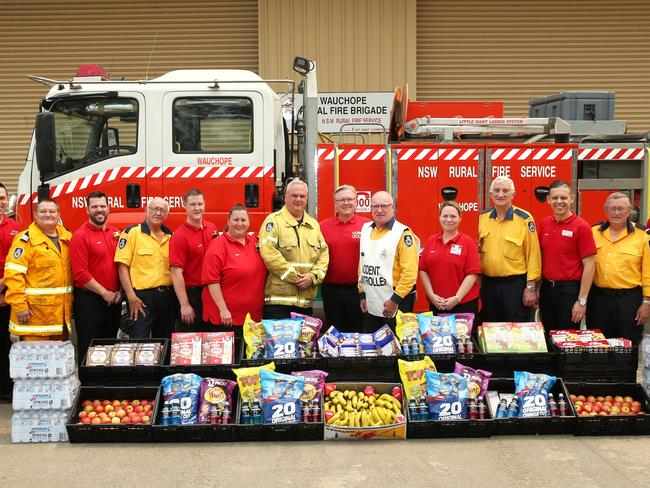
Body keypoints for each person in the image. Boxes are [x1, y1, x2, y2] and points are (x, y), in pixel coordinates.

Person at [258, 179, 329, 319]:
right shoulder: (273, 221)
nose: (298, 199)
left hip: (305, 304)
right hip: (278, 303)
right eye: (294, 196)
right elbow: (269, 255)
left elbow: (324, 255)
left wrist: (313, 277)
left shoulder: (313, 225)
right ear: (286, 197)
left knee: (304, 341)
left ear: (306, 199)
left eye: (302, 196)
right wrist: (296, 278)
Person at [4, 199, 72, 341]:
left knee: (59, 362)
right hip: (33, 320)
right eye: (43, 211)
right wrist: (19, 306)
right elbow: (13, 275)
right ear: (35, 215)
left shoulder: (67, 238)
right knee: (35, 363)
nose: (48, 214)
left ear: (58, 215)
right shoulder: (25, 241)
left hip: (60, 320)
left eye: (52, 211)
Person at [586, 192, 650, 344]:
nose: (616, 213)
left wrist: (646, 303)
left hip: (629, 301)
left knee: (628, 345)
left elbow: (648, 271)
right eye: (612, 209)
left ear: (629, 211)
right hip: (598, 300)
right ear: (605, 211)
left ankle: (627, 369)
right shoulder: (593, 232)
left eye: (621, 209)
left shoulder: (642, 235)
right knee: (598, 345)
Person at [478, 176, 541, 323]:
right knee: (489, 328)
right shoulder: (482, 218)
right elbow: (477, 250)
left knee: (515, 332)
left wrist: (531, 288)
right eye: (497, 190)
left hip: (515, 287)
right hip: (489, 286)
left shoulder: (525, 219)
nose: (501, 194)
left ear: (513, 194)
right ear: (491, 194)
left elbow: (533, 255)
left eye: (505, 190)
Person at [70, 191, 122, 365]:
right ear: (87, 210)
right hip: (89, 301)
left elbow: (122, 266)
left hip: (113, 301)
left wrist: (120, 292)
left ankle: (105, 387)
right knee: (89, 348)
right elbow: (80, 273)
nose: (99, 210)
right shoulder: (80, 236)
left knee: (109, 347)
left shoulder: (116, 233)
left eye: (102, 206)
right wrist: (104, 293)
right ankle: (87, 388)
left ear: (108, 208)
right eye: (94, 207)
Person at [537, 180, 596, 331]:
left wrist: (582, 301)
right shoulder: (544, 224)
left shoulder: (582, 227)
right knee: (548, 338)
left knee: (568, 341)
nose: (559, 202)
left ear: (572, 199)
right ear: (548, 200)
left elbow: (590, 265)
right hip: (547, 290)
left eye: (563, 198)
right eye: (555, 198)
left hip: (570, 293)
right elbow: (541, 258)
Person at [115, 197, 176, 339]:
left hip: (167, 298)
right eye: (154, 209)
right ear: (146, 211)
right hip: (141, 300)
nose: (158, 213)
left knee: (165, 343)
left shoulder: (171, 237)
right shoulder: (131, 233)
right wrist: (130, 296)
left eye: (162, 210)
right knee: (139, 343)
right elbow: (122, 267)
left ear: (166, 214)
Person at [202, 204, 267, 336]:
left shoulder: (256, 243)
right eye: (235, 220)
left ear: (249, 222)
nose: (239, 223)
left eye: (243, 220)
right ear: (228, 221)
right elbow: (212, 281)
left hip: (252, 319)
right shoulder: (217, 245)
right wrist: (223, 310)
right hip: (226, 319)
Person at [358, 191, 418, 332]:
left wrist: (395, 301)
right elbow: (362, 265)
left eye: (384, 206)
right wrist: (362, 294)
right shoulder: (366, 230)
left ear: (393, 207)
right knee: (372, 346)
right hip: (372, 301)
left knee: (394, 348)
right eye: (375, 206)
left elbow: (409, 274)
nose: (379, 210)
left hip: (396, 302)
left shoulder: (403, 234)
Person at [319, 185, 371, 331]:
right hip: (331, 290)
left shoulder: (368, 226)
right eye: (341, 200)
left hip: (359, 290)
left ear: (356, 202)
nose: (346, 203)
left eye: (349, 199)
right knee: (334, 331)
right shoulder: (323, 226)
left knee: (358, 331)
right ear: (335, 204)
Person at [419, 201, 480, 316]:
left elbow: (472, 274)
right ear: (439, 217)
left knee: (462, 334)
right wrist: (430, 294)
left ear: (460, 218)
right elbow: (423, 269)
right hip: (437, 304)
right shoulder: (431, 240)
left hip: (463, 305)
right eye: (445, 216)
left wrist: (457, 298)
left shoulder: (467, 242)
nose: (449, 219)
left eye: (453, 216)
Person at [169, 189, 217, 332]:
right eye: (193, 205)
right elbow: (176, 273)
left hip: (211, 293)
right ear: (185, 205)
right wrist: (185, 305)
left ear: (204, 204)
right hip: (193, 296)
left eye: (200, 204)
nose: (197, 208)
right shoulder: (179, 236)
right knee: (191, 340)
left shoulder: (212, 228)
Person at [0, 183, 20, 399]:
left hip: (8, 294)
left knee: (7, 344)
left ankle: (6, 388)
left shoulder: (15, 228)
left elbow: (18, 264)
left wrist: (6, 292)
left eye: (3, 198)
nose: (0, 203)